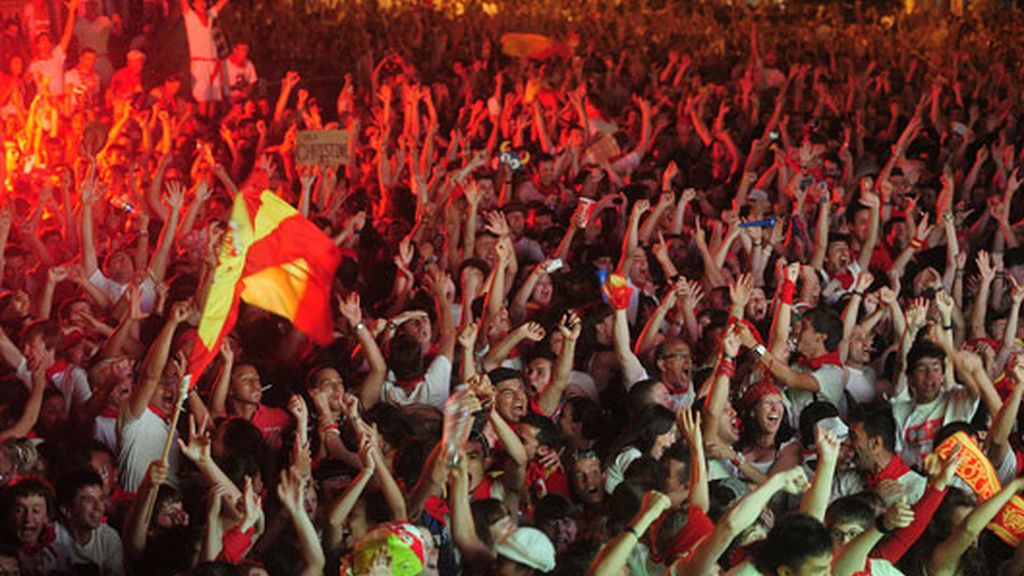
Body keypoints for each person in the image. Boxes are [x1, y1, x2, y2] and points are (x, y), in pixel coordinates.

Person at [179, 0, 229, 118]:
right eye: (200, 2)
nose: (203, 5)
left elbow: (221, 3)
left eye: (204, 2)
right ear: (194, 4)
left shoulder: (210, 15)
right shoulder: (190, 16)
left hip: (213, 62)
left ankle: (210, 129)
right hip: (200, 63)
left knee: (213, 99)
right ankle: (202, 128)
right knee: (203, 99)